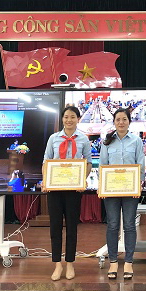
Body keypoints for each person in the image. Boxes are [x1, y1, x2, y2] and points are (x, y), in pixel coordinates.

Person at [43, 106, 92, 281]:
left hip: (73, 190)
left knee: (72, 226)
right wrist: (45, 181)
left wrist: (82, 180)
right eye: (66, 117)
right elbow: (46, 161)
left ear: (78, 119)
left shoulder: (84, 139)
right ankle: (57, 264)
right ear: (62, 119)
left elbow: (88, 163)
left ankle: (70, 262)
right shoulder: (53, 138)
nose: (69, 120)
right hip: (55, 189)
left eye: (72, 117)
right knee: (55, 227)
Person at [99, 108, 145, 280]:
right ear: (114, 122)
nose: (121, 122)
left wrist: (138, 184)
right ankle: (113, 261)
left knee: (129, 225)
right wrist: (103, 185)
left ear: (129, 122)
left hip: (130, 189)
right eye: (118, 119)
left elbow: (141, 163)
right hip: (111, 189)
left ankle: (128, 262)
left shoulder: (136, 141)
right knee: (112, 225)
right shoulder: (107, 141)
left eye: (124, 119)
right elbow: (103, 165)